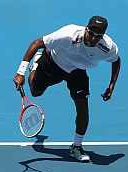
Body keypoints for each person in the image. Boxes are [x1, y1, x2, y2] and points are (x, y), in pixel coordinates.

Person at [13, 16, 121, 162]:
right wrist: (21, 72)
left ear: (102, 36)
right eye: (91, 33)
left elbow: (116, 60)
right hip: (53, 64)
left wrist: (111, 85)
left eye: (98, 36)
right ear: (86, 29)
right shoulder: (68, 34)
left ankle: (76, 146)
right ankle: (37, 61)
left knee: (83, 109)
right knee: (35, 91)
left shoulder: (107, 47)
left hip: (78, 72)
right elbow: (37, 42)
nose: (93, 38)